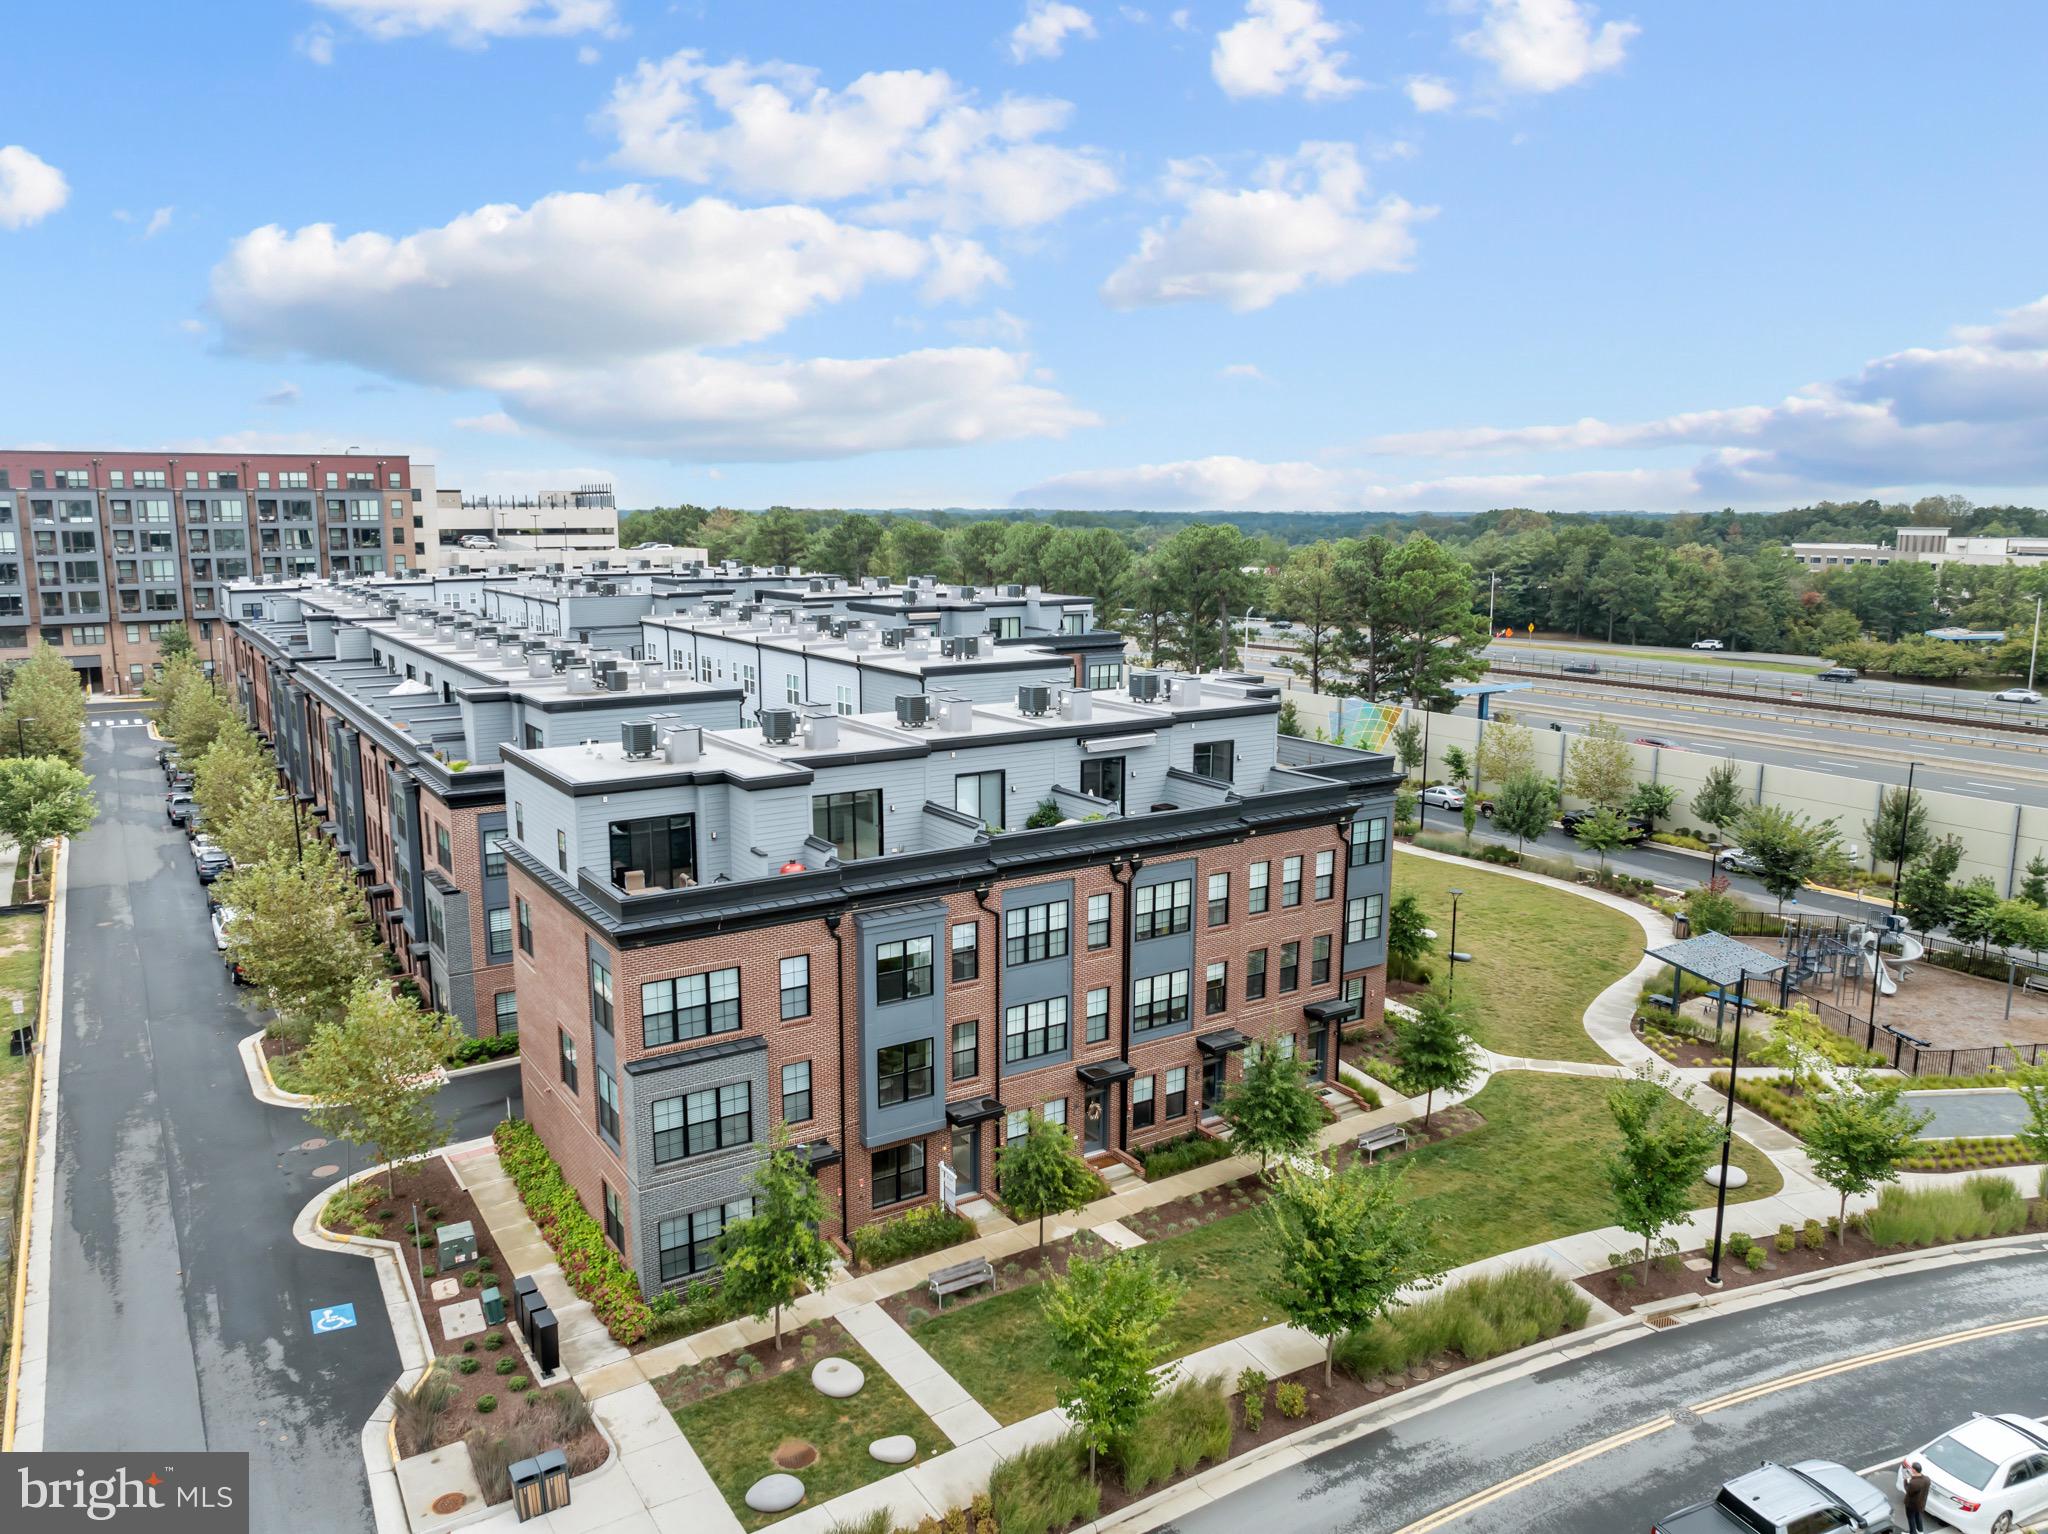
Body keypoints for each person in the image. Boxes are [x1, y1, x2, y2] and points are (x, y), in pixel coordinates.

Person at [1902, 1460, 1931, 1534]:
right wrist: (1912, 1477)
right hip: (1921, 1504)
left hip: (1911, 1505)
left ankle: (1912, 1532)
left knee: (1911, 1518)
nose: (1911, 1469)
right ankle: (1920, 1532)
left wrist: (1905, 1479)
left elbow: (1908, 1490)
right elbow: (1919, 1482)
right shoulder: (1927, 1479)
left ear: (1914, 1470)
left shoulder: (1914, 1483)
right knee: (1918, 1517)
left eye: (1912, 1468)